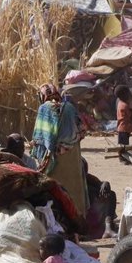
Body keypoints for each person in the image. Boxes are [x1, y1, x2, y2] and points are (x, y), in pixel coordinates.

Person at [31, 84, 88, 216]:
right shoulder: (70, 107)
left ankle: (56, 220)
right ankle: (78, 217)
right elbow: (82, 130)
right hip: (72, 156)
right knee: (73, 187)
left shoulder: (44, 109)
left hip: (53, 158)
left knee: (55, 190)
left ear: (43, 96)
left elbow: (40, 137)